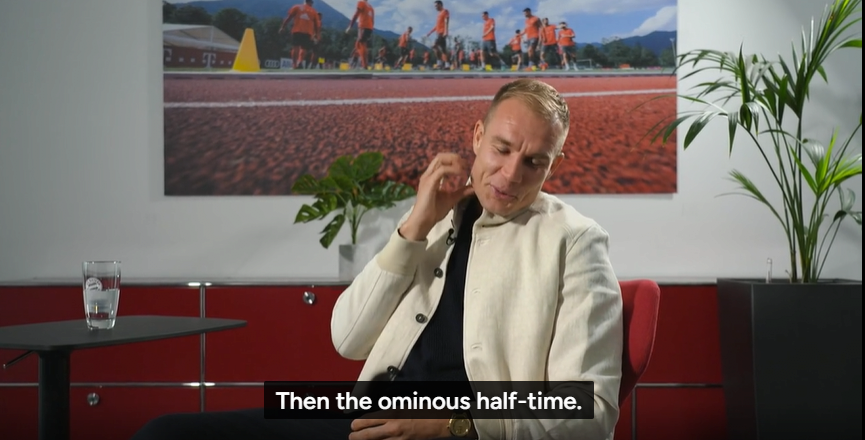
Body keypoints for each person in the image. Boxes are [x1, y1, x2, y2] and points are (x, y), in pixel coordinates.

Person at [131, 79, 624, 440]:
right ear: (477, 136)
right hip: (363, 411)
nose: (511, 173)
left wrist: (455, 425)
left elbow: (591, 410)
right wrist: (414, 226)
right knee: (164, 433)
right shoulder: (434, 217)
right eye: (502, 149)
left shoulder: (575, 241)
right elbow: (348, 339)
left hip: (457, 429)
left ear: (554, 165)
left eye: (535, 161)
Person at [278, 0, 321, 69]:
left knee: (295, 47)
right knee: (304, 48)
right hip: (308, 32)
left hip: (297, 30)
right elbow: (317, 25)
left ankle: (294, 64)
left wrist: (283, 27)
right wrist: (317, 34)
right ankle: (300, 62)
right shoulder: (314, 11)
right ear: (311, 3)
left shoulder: (297, 7)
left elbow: (289, 17)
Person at [346, 0, 375, 69]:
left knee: (361, 44)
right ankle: (354, 62)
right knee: (358, 44)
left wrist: (350, 26)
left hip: (363, 26)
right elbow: (372, 20)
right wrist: (371, 28)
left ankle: (364, 65)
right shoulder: (371, 7)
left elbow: (356, 14)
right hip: (369, 27)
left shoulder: (361, 3)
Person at [426, 0, 450, 69]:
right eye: (435, 6)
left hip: (441, 33)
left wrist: (446, 31)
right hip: (438, 33)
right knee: (443, 50)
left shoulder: (445, 11)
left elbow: (446, 21)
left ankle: (439, 64)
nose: (435, 7)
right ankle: (447, 65)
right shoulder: (439, 14)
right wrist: (430, 32)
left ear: (440, 5)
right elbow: (437, 26)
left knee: (434, 46)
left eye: (436, 6)